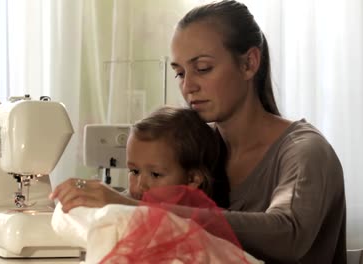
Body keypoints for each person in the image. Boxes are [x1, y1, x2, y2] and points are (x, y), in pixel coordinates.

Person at [52, 0, 346, 263]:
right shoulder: (198, 146)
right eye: (180, 72)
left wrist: (133, 208)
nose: (187, 86)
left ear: (249, 63)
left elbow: (287, 234)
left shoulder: (304, 152)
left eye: (203, 68)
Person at [51, 106, 230, 212]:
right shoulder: (136, 199)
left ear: (192, 179)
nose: (141, 185)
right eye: (134, 171)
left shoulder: (203, 224)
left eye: (155, 174)